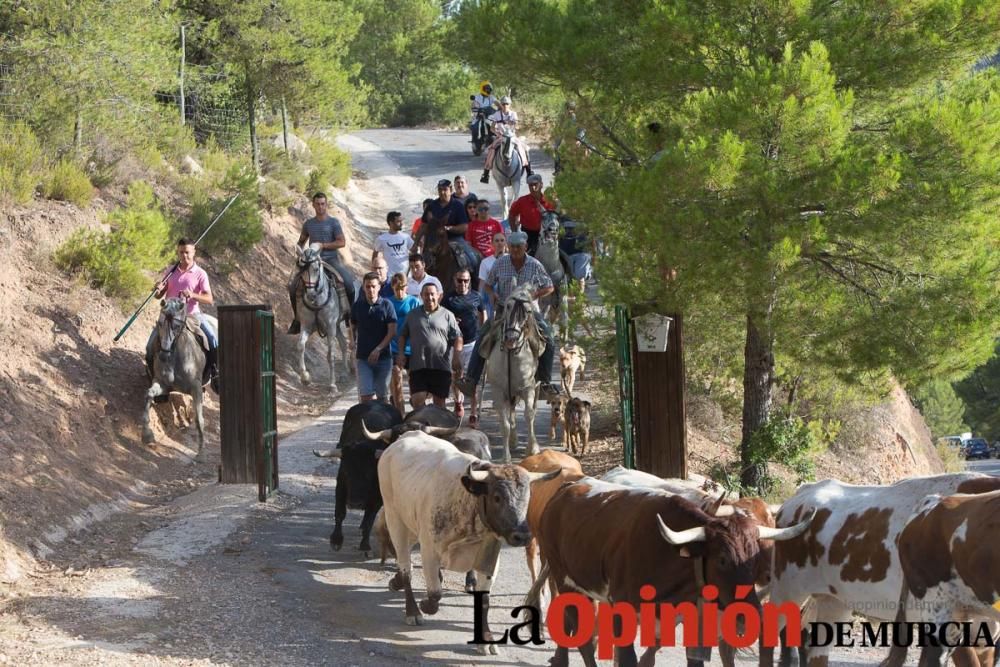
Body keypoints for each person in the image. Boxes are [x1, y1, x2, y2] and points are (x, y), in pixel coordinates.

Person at [455, 231, 561, 414]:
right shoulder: (500, 263)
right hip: (504, 309)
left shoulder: (534, 265)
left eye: (518, 247)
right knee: (483, 334)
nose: (515, 250)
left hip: (527, 311)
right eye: (512, 247)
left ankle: (544, 382)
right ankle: (471, 380)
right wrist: (493, 294)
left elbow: (549, 286)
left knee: (549, 336)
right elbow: (488, 284)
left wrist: (534, 294)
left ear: (525, 247)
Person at [152, 237, 219, 389]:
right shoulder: (170, 271)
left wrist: (193, 295)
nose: (184, 256)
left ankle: (215, 372)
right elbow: (158, 295)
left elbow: (209, 299)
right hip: (169, 316)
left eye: (187, 252)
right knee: (151, 345)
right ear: (178, 252)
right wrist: (157, 289)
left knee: (212, 339)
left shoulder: (200, 274)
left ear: (194, 252)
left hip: (192, 315)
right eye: (181, 252)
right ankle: (153, 375)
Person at [287, 192, 356, 334]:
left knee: (349, 283)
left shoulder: (334, 223)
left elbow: (341, 242)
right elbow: (301, 242)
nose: (320, 207)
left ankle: (351, 316)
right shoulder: (308, 224)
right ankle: (297, 319)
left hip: (330, 259)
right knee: (293, 286)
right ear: (313, 205)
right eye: (317, 204)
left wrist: (323, 245)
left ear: (326, 204)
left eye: (323, 204)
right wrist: (300, 252)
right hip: (312, 261)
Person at [397, 282, 463, 409]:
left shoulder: (448, 315)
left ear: (438, 295)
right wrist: (401, 353)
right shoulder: (412, 315)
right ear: (421, 296)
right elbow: (402, 335)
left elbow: (458, 337)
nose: (430, 297)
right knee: (417, 400)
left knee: (439, 404)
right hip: (418, 365)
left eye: (432, 294)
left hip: (441, 366)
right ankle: (422, 425)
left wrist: (456, 356)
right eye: (426, 294)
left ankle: (436, 427)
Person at [442, 269, 485, 417]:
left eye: (466, 280)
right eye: (460, 280)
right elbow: (441, 317)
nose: (463, 284)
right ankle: (458, 402)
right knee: (457, 375)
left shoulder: (476, 296)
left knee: (473, 378)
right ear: (455, 281)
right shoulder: (448, 299)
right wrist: (451, 321)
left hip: (472, 342)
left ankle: (473, 412)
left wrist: (482, 331)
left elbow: (482, 314)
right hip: (455, 344)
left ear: (469, 281)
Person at [351, 272, 397, 403]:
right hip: (363, 358)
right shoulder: (357, 306)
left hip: (383, 359)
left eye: (373, 286)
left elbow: (392, 331)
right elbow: (352, 324)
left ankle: (384, 422)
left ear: (379, 287)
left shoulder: (387, 305)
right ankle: (366, 422)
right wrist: (352, 342)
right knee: (366, 396)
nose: (370, 289)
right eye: (367, 286)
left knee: (382, 396)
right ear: (364, 288)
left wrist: (378, 349)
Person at [386, 272, 421, 412]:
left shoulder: (414, 302)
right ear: (392, 288)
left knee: (414, 383)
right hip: (394, 346)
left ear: (406, 287)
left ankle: (415, 408)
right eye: (396, 289)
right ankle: (400, 413)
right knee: (396, 376)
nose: (400, 292)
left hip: (411, 347)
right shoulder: (388, 303)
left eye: (402, 288)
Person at [480, 96, 532, 184]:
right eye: (503, 104)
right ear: (501, 105)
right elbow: (492, 128)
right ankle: (486, 173)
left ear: (510, 105)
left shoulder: (513, 114)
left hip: (512, 136)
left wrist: (514, 124)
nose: (505, 106)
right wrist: (497, 133)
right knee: (491, 149)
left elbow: (517, 126)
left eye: (507, 104)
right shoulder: (496, 115)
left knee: (523, 148)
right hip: (500, 136)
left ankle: (529, 171)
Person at [508, 174, 555, 255]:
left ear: (541, 185)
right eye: (530, 185)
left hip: (546, 235)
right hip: (528, 235)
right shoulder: (522, 201)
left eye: (535, 184)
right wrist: (514, 231)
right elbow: (512, 214)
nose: (533, 188)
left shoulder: (549, 201)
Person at [374, 211, 413, 278]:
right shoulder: (382, 238)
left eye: (401, 221)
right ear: (391, 223)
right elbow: (375, 253)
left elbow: (414, 250)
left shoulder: (406, 237)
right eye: (398, 221)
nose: (401, 224)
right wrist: (375, 269)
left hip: (406, 275)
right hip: (389, 275)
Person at [559, 217, 594, 292]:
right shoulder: (561, 234)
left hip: (580, 254)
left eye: (571, 228)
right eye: (567, 228)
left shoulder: (582, 233)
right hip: (566, 255)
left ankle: (580, 296)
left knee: (579, 275)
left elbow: (590, 244)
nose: (569, 230)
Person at [477, 231, 507, 320]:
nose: (500, 243)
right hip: (491, 299)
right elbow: (482, 283)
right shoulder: (485, 262)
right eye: (497, 241)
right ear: (492, 244)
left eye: (502, 240)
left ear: (506, 243)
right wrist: (480, 301)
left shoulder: (512, 260)